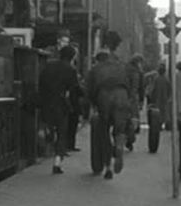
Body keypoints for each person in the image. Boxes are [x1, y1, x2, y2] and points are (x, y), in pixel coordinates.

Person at [85, 31, 133, 179]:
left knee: (103, 131)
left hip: (104, 95)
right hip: (122, 94)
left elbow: (89, 91)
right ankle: (119, 144)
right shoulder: (121, 66)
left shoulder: (95, 69)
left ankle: (108, 167)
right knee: (119, 129)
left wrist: (93, 106)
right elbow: (129, 86)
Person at [38, 45, 80, 174]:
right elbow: (73, 89)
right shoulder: (71, 70)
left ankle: (45, 134)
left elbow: (41, 82)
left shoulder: (48, 66)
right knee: (62, 132)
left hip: (46, 101)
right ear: (72, 56)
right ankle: (57, 162)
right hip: (60, 103)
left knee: (47, 123)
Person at [146, 63, 171, 153]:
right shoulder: (166, 79)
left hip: (157, 99)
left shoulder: (156, 79)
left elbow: (153, 89)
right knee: (164, 112)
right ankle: (163, 124)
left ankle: (159, 125)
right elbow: (170, 89)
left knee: (158, 114)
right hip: (164, 99)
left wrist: (152, 98)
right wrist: (168, 97)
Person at [124, 54, 145, 151]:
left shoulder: (124, 69)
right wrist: (141, 100)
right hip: (132, 97)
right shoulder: (138, 72)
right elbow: (140, 87)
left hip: (123, 96)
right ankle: (130, 137)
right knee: (133, 118)